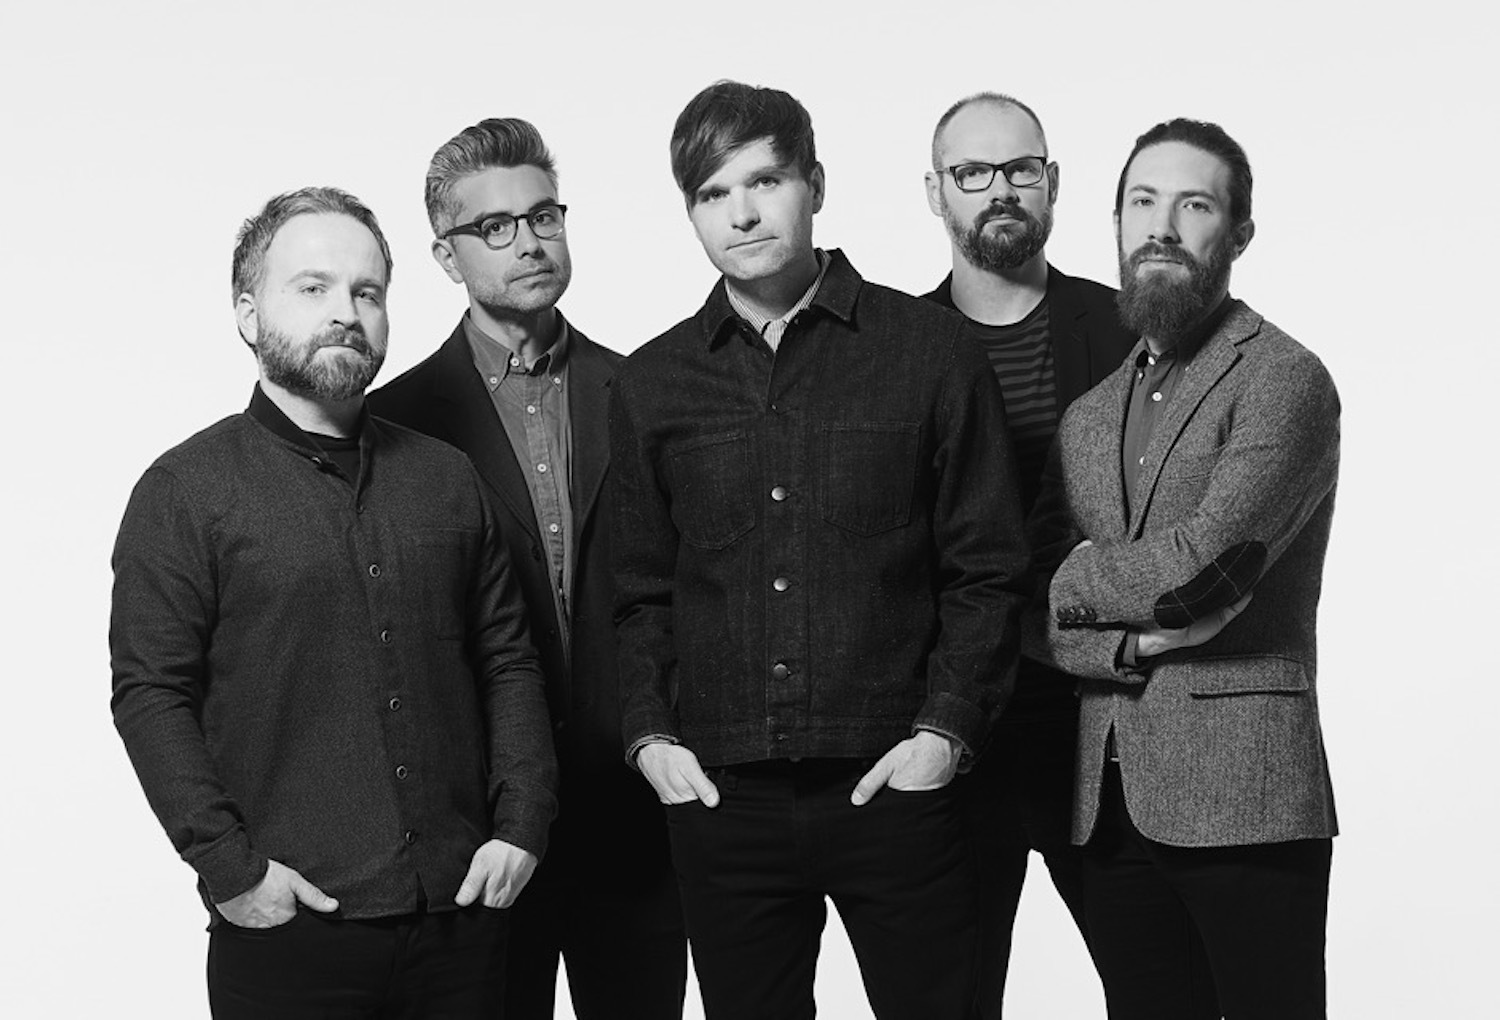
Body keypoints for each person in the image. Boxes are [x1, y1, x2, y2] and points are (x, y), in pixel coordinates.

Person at [608, 80, 1031, 1020]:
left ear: (817, 186)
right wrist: (652, 739)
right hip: (723, 801)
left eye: (765, 181)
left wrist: (943, 737)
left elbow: (989, 568)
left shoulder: (933, 352)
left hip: (895, 786)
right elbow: (639, 593)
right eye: (712, 194)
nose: (742, 214)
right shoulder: (651, 384)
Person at [110, 187, 557, 1019]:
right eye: (312, 288)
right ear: (248, 314)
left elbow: (508, 661)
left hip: (461, 920)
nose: (346, 312)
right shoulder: (184, 492)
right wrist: (231, 871)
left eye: (367, 292)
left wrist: (522, 825)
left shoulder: (448, 478)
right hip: (290, 932)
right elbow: (151, 694)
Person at [368, 118, 686, 1019]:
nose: (530, 242)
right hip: (479, 829)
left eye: (544, 216)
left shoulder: (646, 391)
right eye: (496, 227)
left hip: (632, 815)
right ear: (445, 255)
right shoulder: (396, 424)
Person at [1028, 119, 1340, 1020]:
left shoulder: (1283, 379)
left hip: (1247, 793)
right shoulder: (1088, 417)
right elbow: (1029, 608)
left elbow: (1204, 570)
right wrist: (1127, 643)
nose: (1161, 227)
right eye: (1142, 202)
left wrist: (1080, 583)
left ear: (1238, 234)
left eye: (1193, 205)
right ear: (1116, 224)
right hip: (1108, 799)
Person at [923, 91, 1134, 1016]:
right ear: (936, 192)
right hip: (958, 718)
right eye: (973, 172)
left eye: (1020, 168)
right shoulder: (897, 348)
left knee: (1152, 981)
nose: (999, 189)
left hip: (1100, 712)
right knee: (954, 995)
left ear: (1051, 182)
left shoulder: (1126, 329)